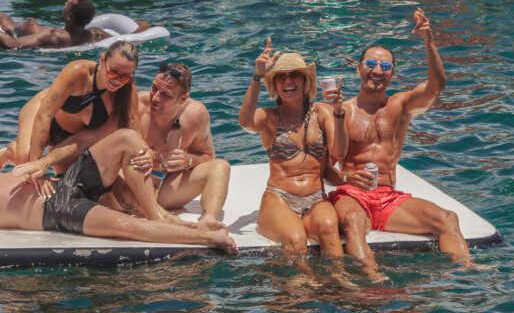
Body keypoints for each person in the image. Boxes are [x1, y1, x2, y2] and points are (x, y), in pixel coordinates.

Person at [328, 8, 471, 271]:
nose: (377, 71)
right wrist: (346, 179)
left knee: (448, 219)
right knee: (353, 223)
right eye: (371, 64)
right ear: (358, 69)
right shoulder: (342, 111)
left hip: (388, 198)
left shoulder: (401, 105)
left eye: (385, 66)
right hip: (352, 195)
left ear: (392, 73)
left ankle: (467, 274)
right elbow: (325, 167)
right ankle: (371, 278)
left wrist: (429, 40)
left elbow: (436, 86)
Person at [1, 129, 236, 253]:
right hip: (55, 210)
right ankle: (206, 236)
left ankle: (157, 215)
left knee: (127, 138)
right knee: (124, 226)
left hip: (64, 183)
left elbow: (13, 149)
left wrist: (33, 165)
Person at [239, 39, 347, 256]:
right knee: (296, 241)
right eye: (281, 77)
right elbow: (246, 123)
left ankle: (340, 287)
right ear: (275, 85)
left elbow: (338, 153)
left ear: (306, 81)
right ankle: (299, 290)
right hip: (280, 198)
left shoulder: (323, 112)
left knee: (328, 228)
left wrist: (338, 112)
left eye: (294, 75)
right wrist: (257, 76)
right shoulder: (270, 117)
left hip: (316, 197)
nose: (288, 81)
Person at [0, 40, 140, 170]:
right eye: (113, 72)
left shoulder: (126, 93)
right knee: (24, 158)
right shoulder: (78, 72)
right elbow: (44, 115)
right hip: (41, 114)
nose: (118, 80)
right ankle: (9, 152)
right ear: (102, 60)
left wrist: (146, 154)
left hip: (72, 138)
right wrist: (35, 164)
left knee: (67, 174)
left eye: (126, 76)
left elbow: (135, 134)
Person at [135, 62, 231, 227]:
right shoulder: (136, 105)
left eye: (166, 95)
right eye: (154, 88)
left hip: (166, 190)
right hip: (133, 187)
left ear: (183, 98)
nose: (156, 97)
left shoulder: (196, 115)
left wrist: (188, 161)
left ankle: (209, 220)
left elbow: (208, 157)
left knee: (221, 167)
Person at [0, 0, 150, 51]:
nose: (64, 3)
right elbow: (128, 39)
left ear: (69, 17)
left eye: (67, 4)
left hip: (26, 33)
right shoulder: (94, 33)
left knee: (24, 23)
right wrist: (142, 27)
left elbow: (14, 44)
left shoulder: (51, 34)